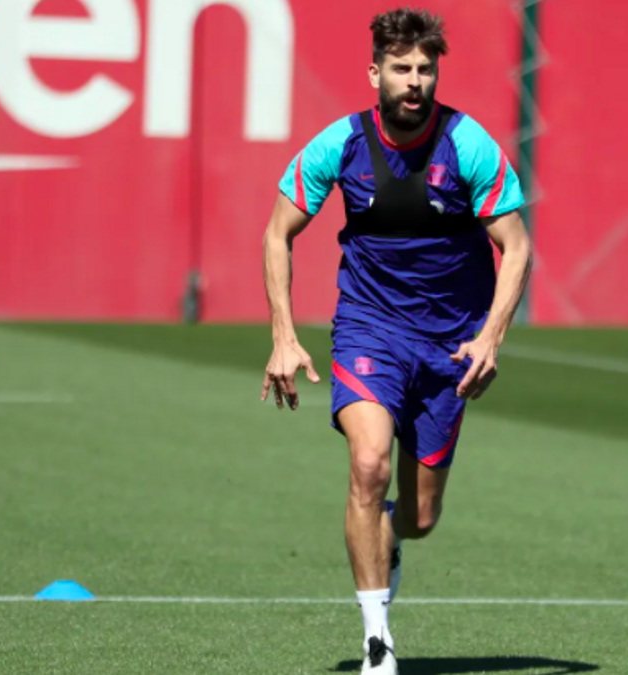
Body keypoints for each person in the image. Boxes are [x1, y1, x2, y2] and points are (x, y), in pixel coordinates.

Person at [260, 7, 532, 674]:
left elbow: (517, 246)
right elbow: (277, 233)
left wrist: (492, 336)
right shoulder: (340, 145)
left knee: (418, 517)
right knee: (368, 462)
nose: (415, 80)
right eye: (402, 68)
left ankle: (393, 541)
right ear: (375, 72)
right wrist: (284, 335)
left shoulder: (467, 143)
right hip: (369, 331)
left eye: (425, 68)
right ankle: (378, 639)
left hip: (450, 348)